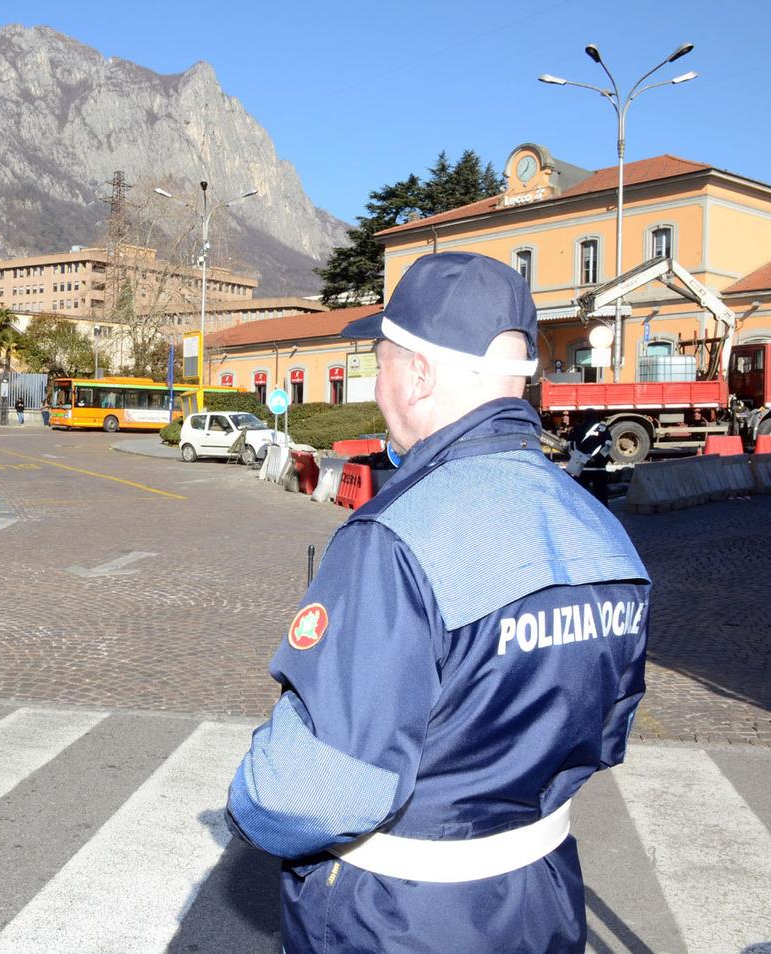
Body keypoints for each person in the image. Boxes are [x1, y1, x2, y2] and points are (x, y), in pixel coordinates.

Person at [227, 252, 650, 954]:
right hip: (540, 900)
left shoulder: (394, 540)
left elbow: (311, 793)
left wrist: (246, 804)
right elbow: (606, 730)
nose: (376, 376)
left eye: (380, 357)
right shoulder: (600, 529)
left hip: (397, 921)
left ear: (419, 374)